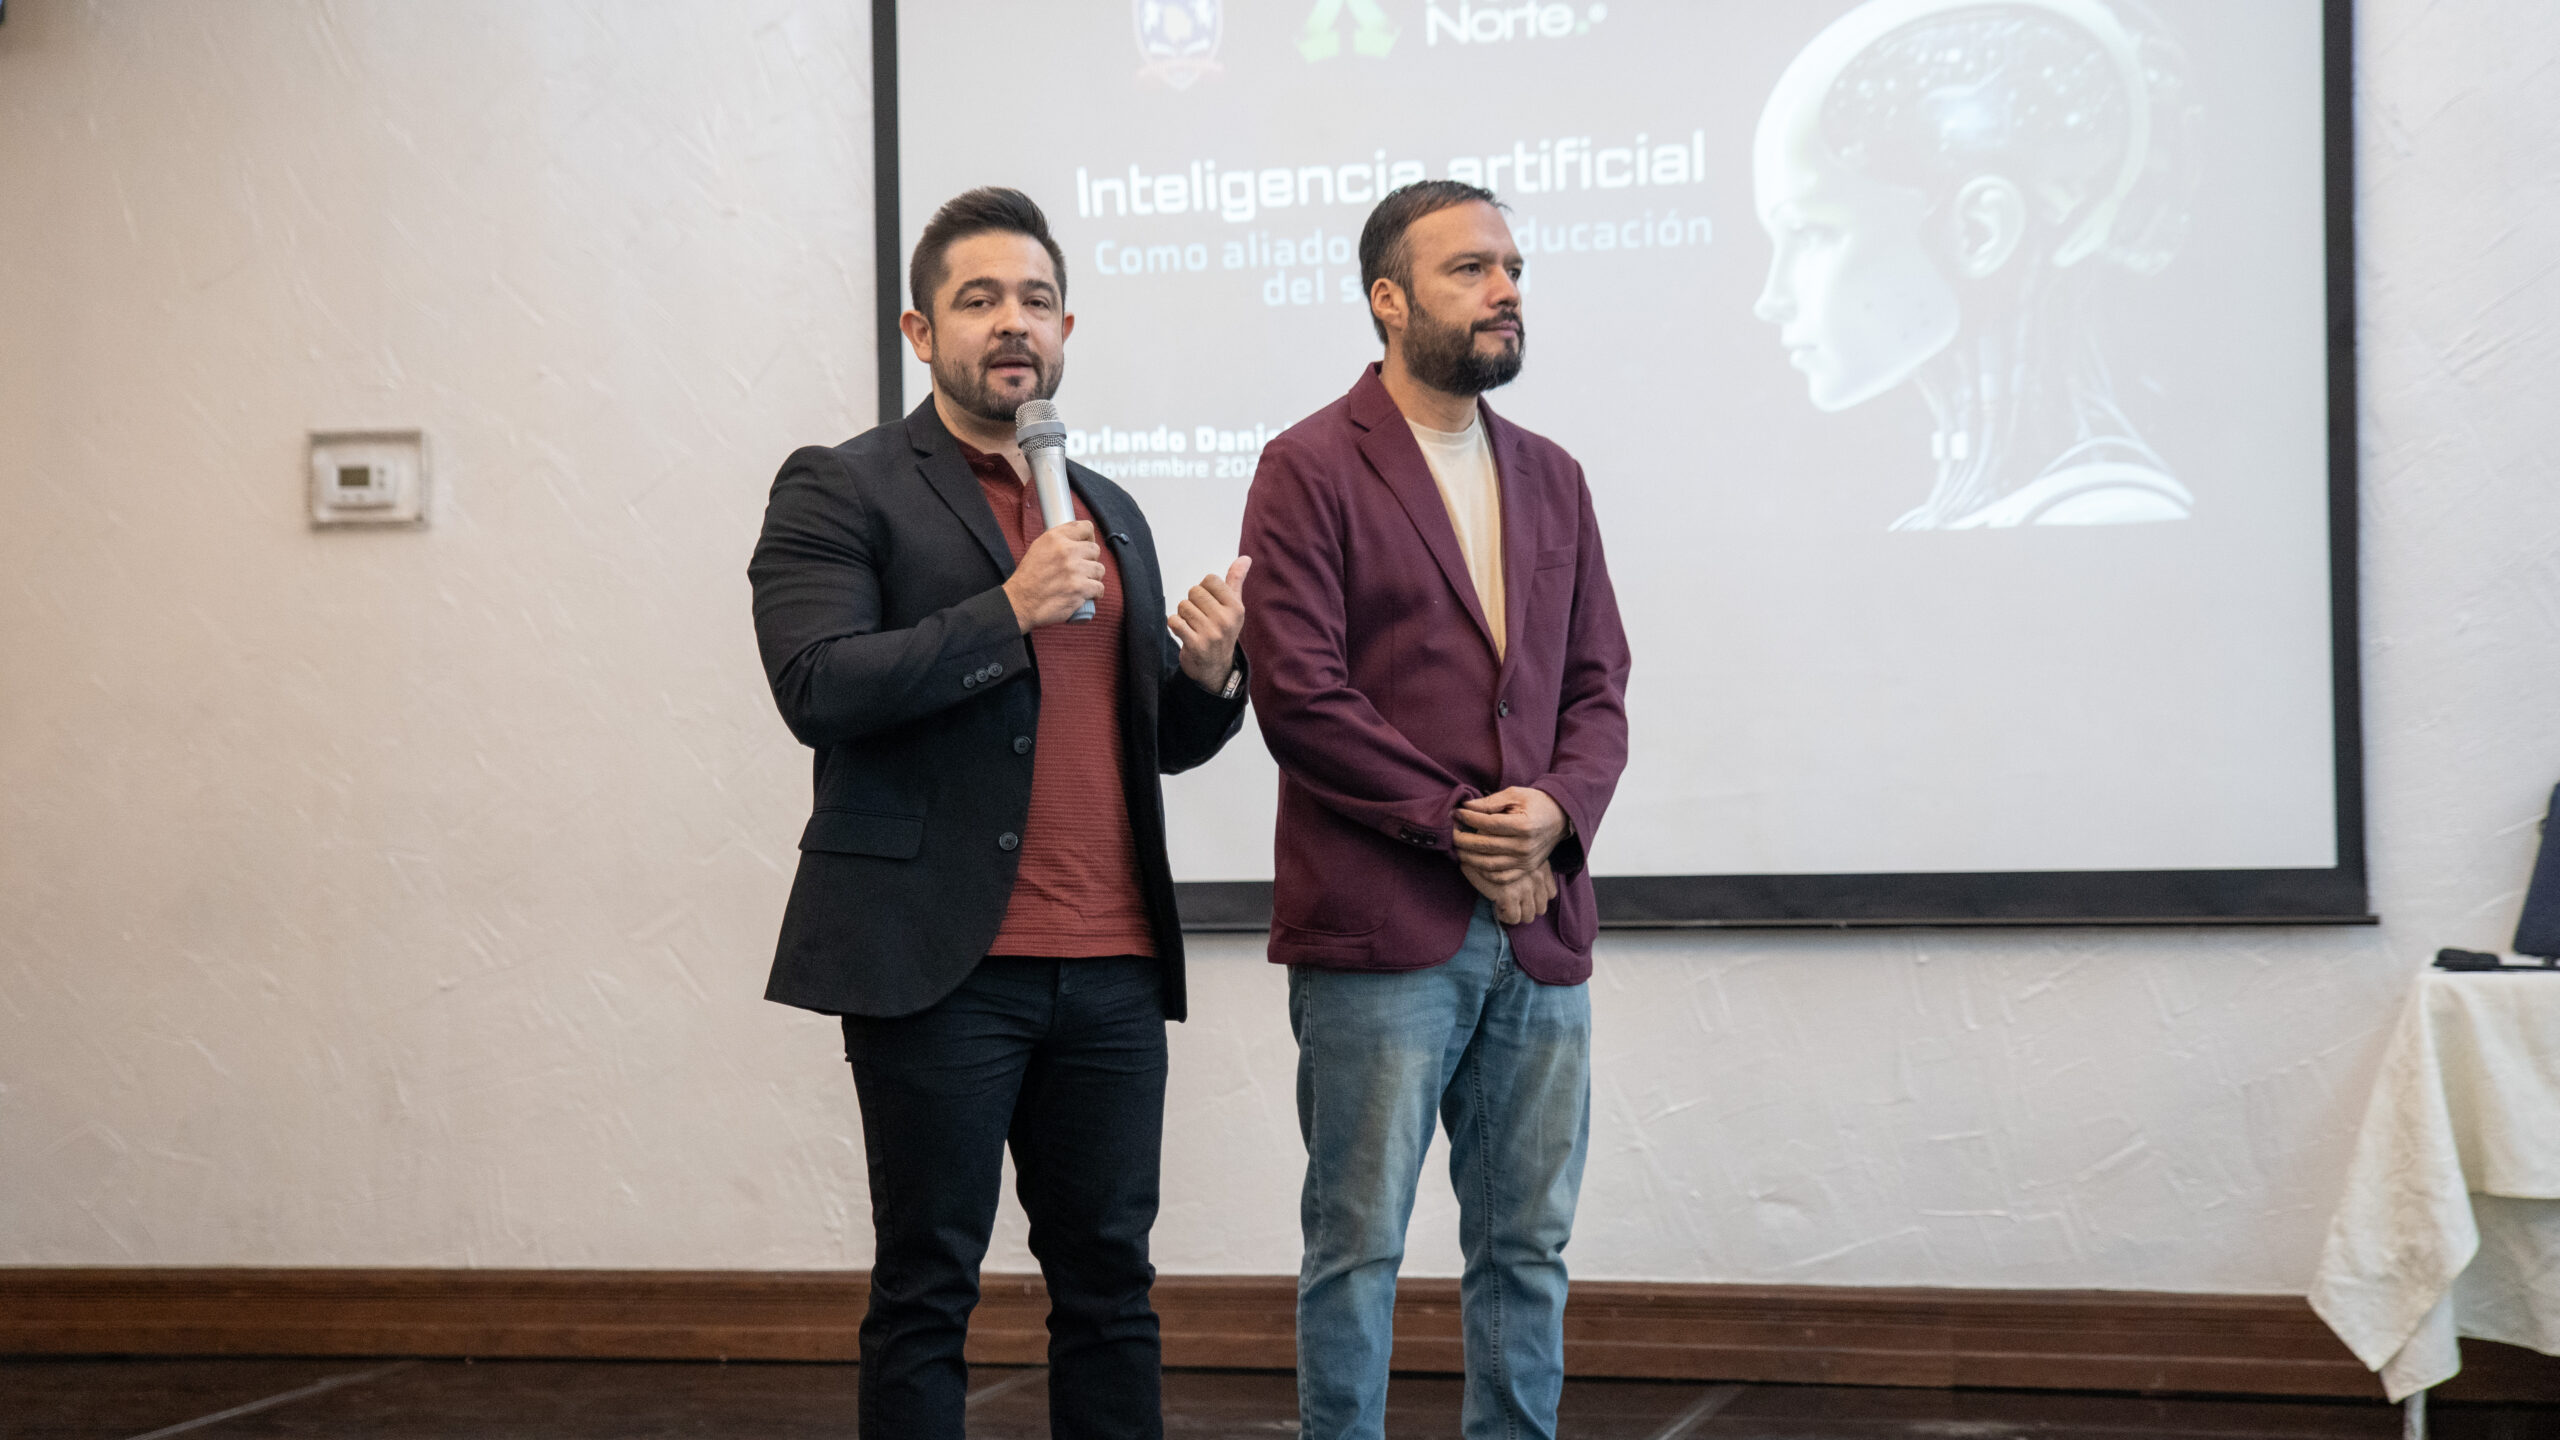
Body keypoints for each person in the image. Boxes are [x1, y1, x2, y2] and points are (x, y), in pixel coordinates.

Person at [747, 186, 1251, 1440]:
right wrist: (1005, 610)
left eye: (1035, 299)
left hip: (1113, 964)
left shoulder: (1107, 508)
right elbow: (817, 687)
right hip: (941, 965)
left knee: (1111, 1286)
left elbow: (1144, 741)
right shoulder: (842, 487)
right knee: (929, 1286)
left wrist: (1207, 680)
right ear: (921, 332)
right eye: (979, 300)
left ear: (1067, 328)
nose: (1011, 322)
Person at [1238, 180, 1631, 1440]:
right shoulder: (1307, 466)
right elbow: (1301, 698)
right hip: (1381, 927)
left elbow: (1597, 687)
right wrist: (1473, 829)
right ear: (1389, 299)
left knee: (1528, 1246)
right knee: (1356, 1244)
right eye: (1470, 269)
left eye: (1512, 267)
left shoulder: (1554, 476)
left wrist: (1555, 814)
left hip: (1538, 928)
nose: (1505, 289)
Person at [1752, 0, 2203, 529]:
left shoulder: (2112, 519)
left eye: (1811, 234)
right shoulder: (1966, 520)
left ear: (1979, 231)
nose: (1770, 299)